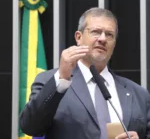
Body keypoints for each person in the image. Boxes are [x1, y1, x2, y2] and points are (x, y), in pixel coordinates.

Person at [20, 7, 150, 139]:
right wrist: (62, 79)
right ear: (79, 37)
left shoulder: (138, 93)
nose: (103, 39)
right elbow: (30, 126)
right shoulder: (51, 81)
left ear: (114, 44)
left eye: (109, 34)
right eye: (96, 32)